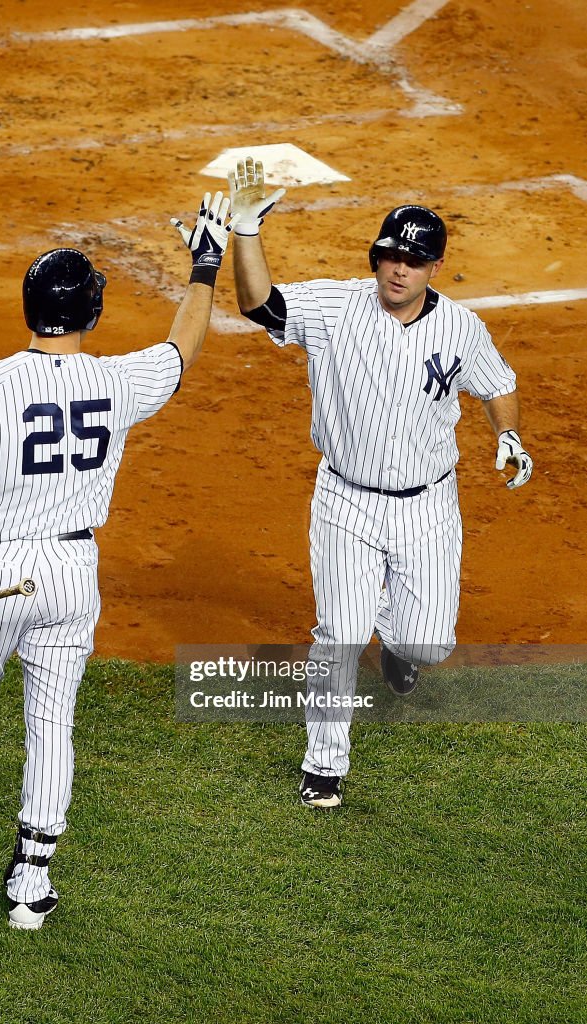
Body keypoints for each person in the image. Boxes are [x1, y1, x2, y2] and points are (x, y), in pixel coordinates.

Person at [0, 191, 239, 929]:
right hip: (72, 573)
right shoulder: (116, 381)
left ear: (27, 306)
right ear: (92, 315)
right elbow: (183, 347)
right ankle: (31, 881)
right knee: (52, 719)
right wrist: (205, 263)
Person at [228, 157, 533, 810]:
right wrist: (246, 233)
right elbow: (259, 303)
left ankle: (398, 645)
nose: (398, 269)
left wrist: (507, 435)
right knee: (338, 631)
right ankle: (323, 768)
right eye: (390, 255)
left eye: (413, 261)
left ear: (432, 268)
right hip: (345, 501)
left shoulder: (460, 327)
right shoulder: (336, 308)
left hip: (428, 506)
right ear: (376, 257)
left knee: (427, 640)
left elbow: (498, 383)